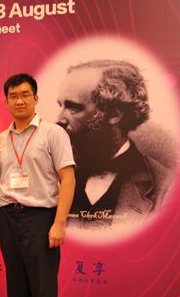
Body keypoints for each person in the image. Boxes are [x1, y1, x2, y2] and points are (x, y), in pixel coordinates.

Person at [0, 73, 75, 297]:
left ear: (36, 98)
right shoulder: (2, 139)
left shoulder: (53, 133)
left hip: (41, 218)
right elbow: (0, 183)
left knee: (42, 294)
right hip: (9, 217)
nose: (19, 101)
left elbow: (68, 178)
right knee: (18, 291)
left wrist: (59, 223)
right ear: (6, 101)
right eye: (13, 96)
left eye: (25, 95)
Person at [56, 60, 171, 227]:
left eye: (74, 108)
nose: (59, 120)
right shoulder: (51, 176)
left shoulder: (168, 188)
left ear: (114, 114)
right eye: (60, 106)